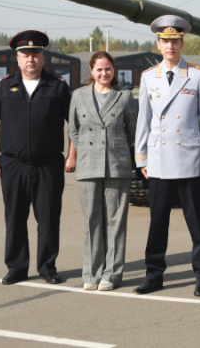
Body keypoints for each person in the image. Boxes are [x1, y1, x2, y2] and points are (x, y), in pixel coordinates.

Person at [0, 30, 75, 285]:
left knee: (48, 219)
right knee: (14, 218)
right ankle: (16, 267)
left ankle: (48, 268)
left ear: (43, 57)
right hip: (12, 165)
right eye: (25, 55)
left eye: (35, 54)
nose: (30, 59)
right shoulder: (3, 87)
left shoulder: (57, 86)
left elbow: (74, 124)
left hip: (49, 165)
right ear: (18, 58)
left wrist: (71, 155)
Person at [133, 15, 200, 296]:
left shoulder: (197, 75)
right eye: (165, 41)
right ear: (158, 44)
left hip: (189, 159)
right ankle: (153, 275)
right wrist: (141, 158)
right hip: (158, 161)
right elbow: (143, 120)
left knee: (197, 224)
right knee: (157, 223)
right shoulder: (147, 77)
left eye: (175, 41)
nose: (170, 46)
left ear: (182, 43)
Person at [68, 51, 138, 291]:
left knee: (115, 222)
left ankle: (112, 274)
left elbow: (132, 131)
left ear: (113, 70)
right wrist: (86, 152)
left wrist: (114, 148)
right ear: (91, 71)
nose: (104, 73)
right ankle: (91, 273)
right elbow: (74, 130)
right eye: (99, 69)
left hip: (116, 164)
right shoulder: (78, 96)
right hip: (88, 166)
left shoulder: (125, 97)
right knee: (92, 221)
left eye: (108, 69)